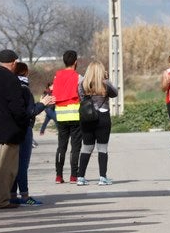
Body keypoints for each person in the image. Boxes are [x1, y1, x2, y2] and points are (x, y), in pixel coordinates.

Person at [0, 50, 30, 210]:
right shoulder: (11, 80)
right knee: (7, 169)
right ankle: (1, 201)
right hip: (9, 132)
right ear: (14, 62)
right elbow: (17, 107)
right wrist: (24, 122)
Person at [10, 62, 54, 205]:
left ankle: (12, 195)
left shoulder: (11, 87)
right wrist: (43, 104)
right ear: (25, 73)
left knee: (13, 164)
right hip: (25, 129)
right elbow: (30, 112)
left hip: (12, 129)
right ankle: (25, 196)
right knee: (23, 164)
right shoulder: (24, 89)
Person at [77, 60, 118, 186]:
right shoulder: (105, 84)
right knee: (102, 148)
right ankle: (102, 177)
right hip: (103, 117)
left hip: (87, 117)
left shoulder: (82, 84)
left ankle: (80, 177)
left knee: (86, 147)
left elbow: (81, 97)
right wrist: (107, 79)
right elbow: (115, 93)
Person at [51, 50, 83, 182]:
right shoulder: (79, 77)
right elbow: (82, 95)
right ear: (75, 62)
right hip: (75, 115)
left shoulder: (56, 76)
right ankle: (74, 175)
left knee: (61, 146)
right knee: (75, 147)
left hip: (61, 116)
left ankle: (58, 176)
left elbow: (54, 93)